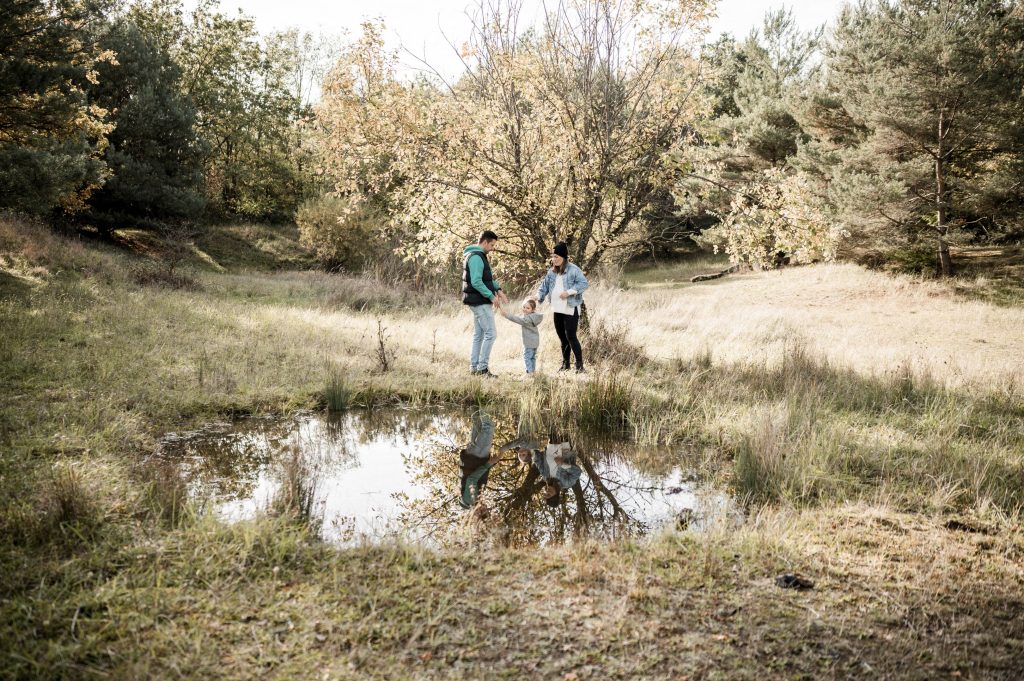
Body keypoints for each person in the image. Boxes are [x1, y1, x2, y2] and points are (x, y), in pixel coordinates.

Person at [537, 242, 589, 373]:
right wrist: (538, 296)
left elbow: (584, 284)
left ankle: (580, 366)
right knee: (562, 337)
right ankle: (565, 365)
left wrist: (569, 292)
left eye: (556, 257)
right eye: (553, 256)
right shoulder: (551, 272)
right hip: (557, 308)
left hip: (570, 308)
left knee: (571, 336)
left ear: (564, 257)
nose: (554, 259)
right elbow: (544, 287)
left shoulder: (573, 269)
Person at [462, 230, 508, 378]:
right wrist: (491, 296)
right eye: (492, 245)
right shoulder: (476, 257)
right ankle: (482, 369)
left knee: (479, 334)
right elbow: (476, 281)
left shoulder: (479, 255)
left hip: (478, 300)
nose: (493, 248)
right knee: (491, 334)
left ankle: (474, 368)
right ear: (485, 242)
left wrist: (498, 290)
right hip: (479, 301)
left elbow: (486, 278)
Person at [458, 411, 502, 509]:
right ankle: (474, 403)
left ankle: (484, 405)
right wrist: (492, 463)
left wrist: (489, 463)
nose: (487, 509)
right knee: (477, 420)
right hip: (471, 457)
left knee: (488, 427)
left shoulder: (471, 501)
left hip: (476, 457)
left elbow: (471, 479)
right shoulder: (468, 498)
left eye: (485, 512)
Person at [498, 297, 543, 375]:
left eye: (528, 308)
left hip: (529, 342)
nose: (525, 309)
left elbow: (516, 319)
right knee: (532, 357)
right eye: (524, 307)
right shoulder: (534, 317)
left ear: (533, 309)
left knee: (527, 357)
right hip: (535, 342)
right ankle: (533, 371)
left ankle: (529, 373)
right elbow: (519, 317)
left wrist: (506, 315)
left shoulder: (527, 320)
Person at [532, 440, 582, 507]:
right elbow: (577, 472)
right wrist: (562, 464)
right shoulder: (567, 483)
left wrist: (530, 452)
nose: (546, 492)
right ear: (555, 495)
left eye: (545, 494)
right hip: (566, 443)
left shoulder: (545, 476)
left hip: (552, 441)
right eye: (548, 495)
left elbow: (537, 460)